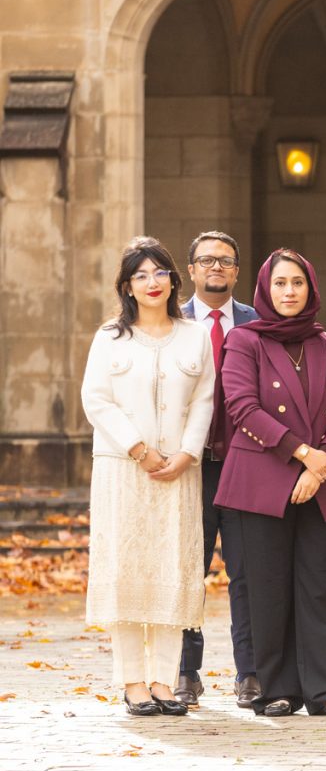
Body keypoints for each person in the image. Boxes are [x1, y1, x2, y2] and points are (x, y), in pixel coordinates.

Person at [215, 249, 326, 718]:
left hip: (323, 481)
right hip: (261, 479)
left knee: (323, 587)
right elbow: (241, 406)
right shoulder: (244, 340)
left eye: (297, 283)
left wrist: (323, 463)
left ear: (310, 288)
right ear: (265, 290)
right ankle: (276, 689)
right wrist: (303, 454)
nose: (289, 292)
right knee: (267, 587)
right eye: (280, 284)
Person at [81, 236, 215, 716]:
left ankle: (164, 679)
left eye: (160, 272)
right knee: (126, 570)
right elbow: (96, 400)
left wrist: (186, 453)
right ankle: (132, 681)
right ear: (127, 286)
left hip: (178, 472)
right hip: (123, 470)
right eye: (140, 275)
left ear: (174, 280)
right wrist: (138, 449)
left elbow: (205, 400)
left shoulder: (194, 336)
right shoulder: (109, 338)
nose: (152, 282)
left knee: (170, 569)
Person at [175, 230, 260, 709]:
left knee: (247, 573)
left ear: (237, 270)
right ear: (190, 270)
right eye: (206, 260)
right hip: (190, 470)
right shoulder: (171, 322)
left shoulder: (256, 321)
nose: (216, 268)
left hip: (245, 466)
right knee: (190, 571)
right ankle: (186, 671)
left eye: (225, 261)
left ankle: (249, 673)